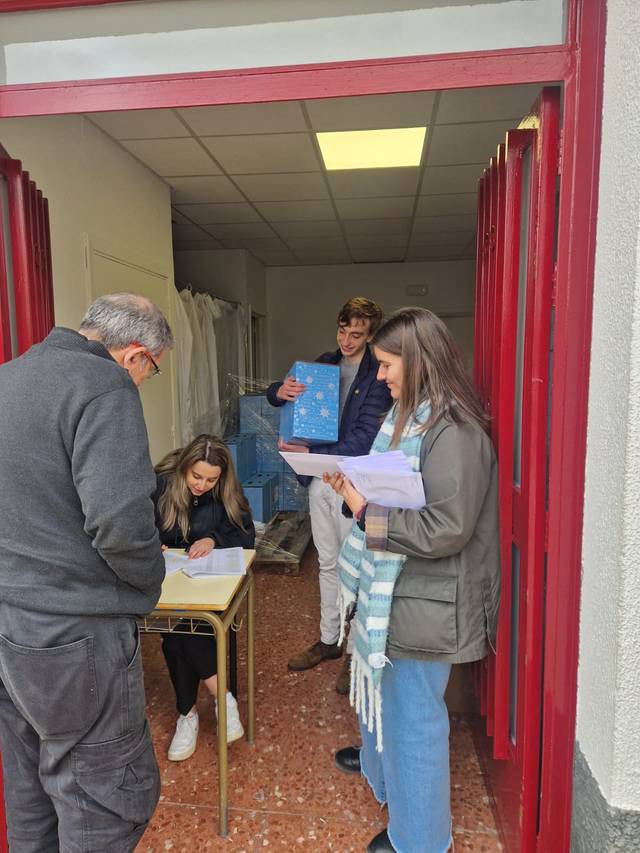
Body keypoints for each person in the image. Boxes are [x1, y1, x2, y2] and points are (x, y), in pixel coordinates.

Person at [0, 293, 173, 853]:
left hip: (8, 621)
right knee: (103, 798)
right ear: (135, 356)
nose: (146, 380)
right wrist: (147, 585)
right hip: (73, 629)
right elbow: (121, 521)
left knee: (30, 789)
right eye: (154, 369)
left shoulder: (8, 376)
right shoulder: (105, 387)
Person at [327, 307, 500, 853]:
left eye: (385, 365)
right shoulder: (413, 415)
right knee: (386, 698)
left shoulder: (455, 431)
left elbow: (447, 528)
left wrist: (363, 510)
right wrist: (353, 485)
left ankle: (422, 839)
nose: (380, 377)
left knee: (416, 721)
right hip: (400, 587)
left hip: (427, 597)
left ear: (420, 361)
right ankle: (382, 772)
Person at [266, 297, 392, 693]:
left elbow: (364, 440)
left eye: (357, 334)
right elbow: (280, 394)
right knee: (327, 563)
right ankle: (328, 641)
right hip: (317, 477)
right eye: (343, 330)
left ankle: (353, 651)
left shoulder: (378, 377)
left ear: (371, 337)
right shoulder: (324, 363)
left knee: (356, 567)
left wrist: (313, 453)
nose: (348, 340)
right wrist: (278, 391)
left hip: (353, 482)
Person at [152, 435, 255, 761]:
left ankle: (188, 716)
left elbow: (247, 535)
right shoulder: (161, 484)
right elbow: (141, 526)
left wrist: (213, 539)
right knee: (180, 628)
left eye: (211, 479)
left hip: (209, 586)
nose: (201, 485)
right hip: (171, 581)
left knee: (179, 633)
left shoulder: (226, 490)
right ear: (183, 468)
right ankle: (223, 700)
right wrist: (152, 544)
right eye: (196, 477)